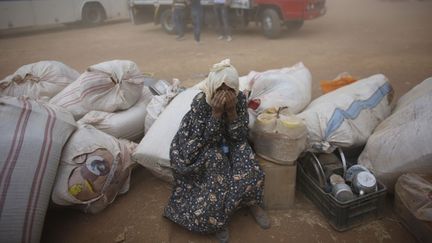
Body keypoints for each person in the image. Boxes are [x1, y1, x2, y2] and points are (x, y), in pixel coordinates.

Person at [164, 59, 270, 242]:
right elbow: (207, 139)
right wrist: (216, 113)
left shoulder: (239, 100)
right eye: (220, 89)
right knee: (217, 173)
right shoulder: (201, 102)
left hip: (230, 140)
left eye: (230, 90)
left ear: (236, 89)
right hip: (202, 146)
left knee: (250, 165)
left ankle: (251, 202)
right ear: (212, 88)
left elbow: (239, 136)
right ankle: (217, 221)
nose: (225, 94)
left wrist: (232, 112)